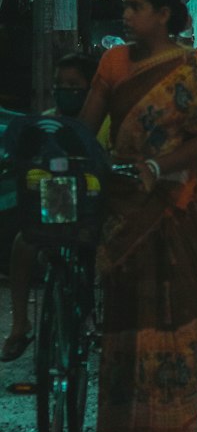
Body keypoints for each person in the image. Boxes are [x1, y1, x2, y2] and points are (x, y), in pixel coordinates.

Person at [79, 0, 197, 432]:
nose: (126, 15)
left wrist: (156, 165)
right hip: (122, 203)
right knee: (124, 313)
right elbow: (87, 126)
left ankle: (172, 423)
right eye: (127, 6)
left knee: (174, 311)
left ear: (164, 15)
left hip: (173, 204)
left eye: (137, 6)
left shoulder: (187, 66)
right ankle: (127, 422)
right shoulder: (112, 61)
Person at [1, 53, 110, 364]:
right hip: (54, 204)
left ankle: (97, 320)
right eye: (60, 85)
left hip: (93, 207)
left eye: (74, 85)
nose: (66, 90)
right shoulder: (45, 123)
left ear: (90, 88)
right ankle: (20, 324)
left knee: (102, 255)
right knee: (24, 243)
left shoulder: (105, 122)